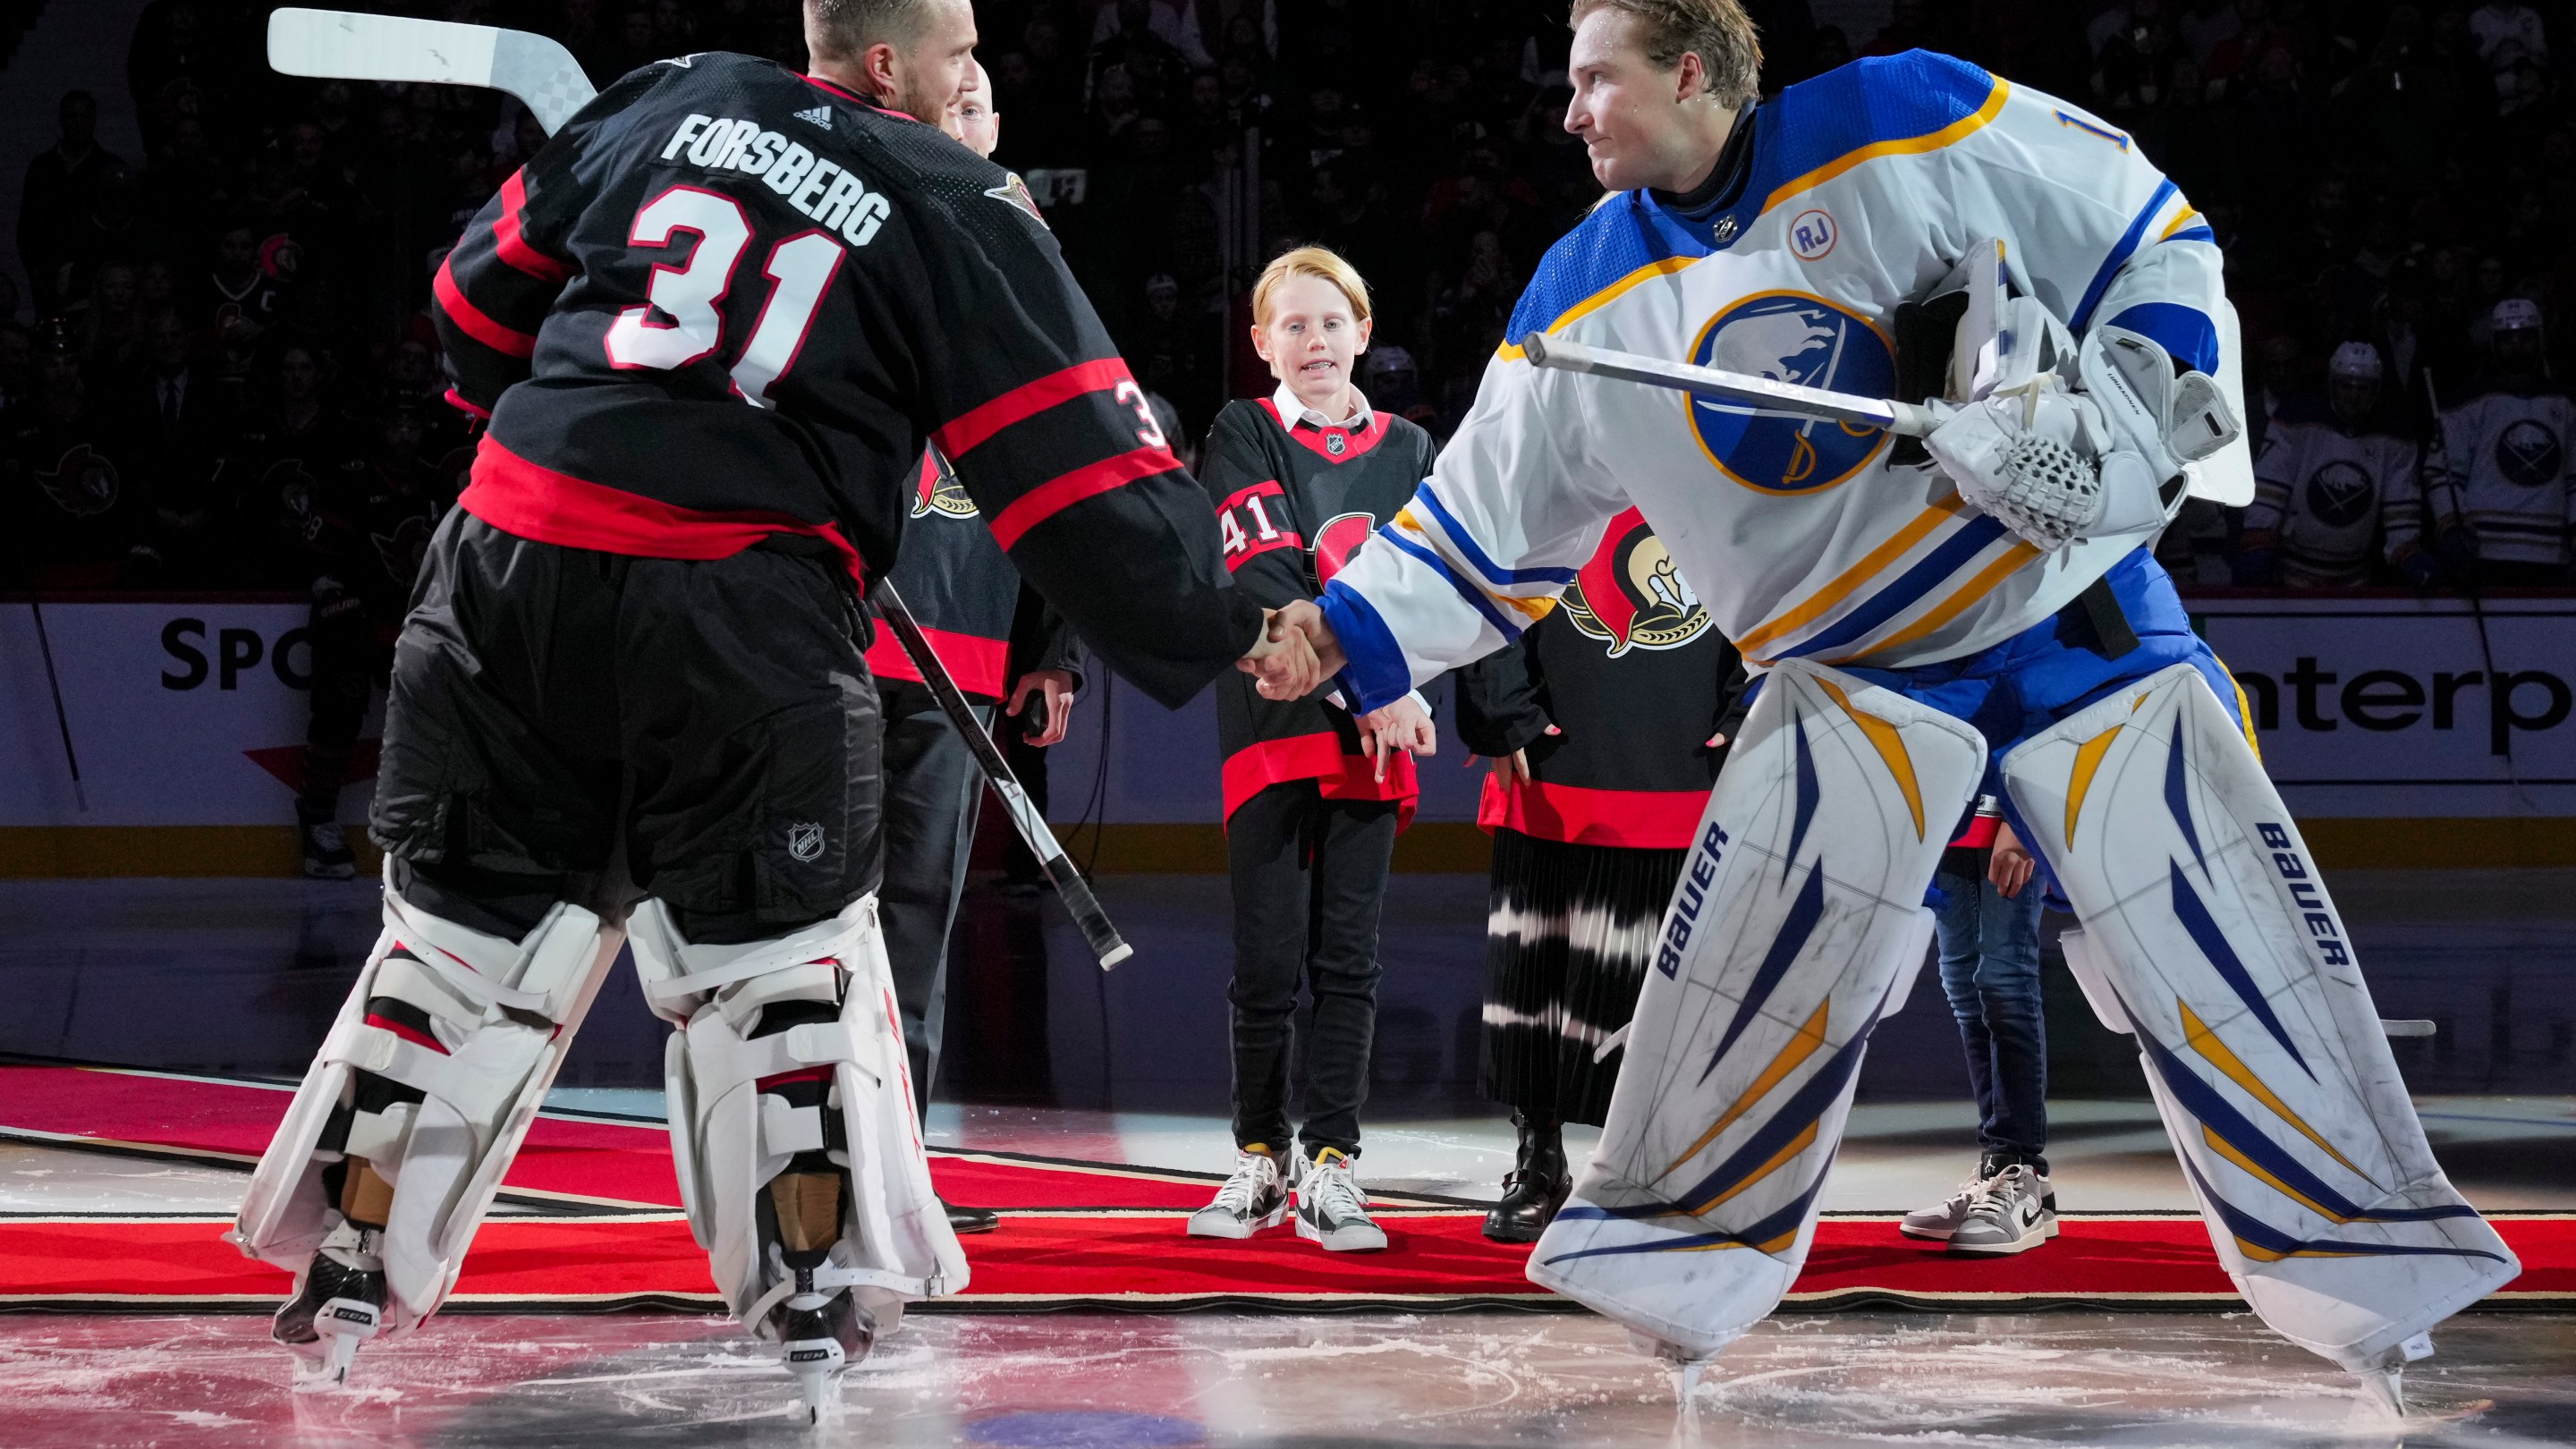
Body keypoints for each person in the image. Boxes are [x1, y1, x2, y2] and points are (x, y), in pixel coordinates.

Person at [1247, 0, 2514, 1403]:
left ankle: (2374, 1259)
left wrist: (2136, 400)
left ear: (1686, 71)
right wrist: (1342, 633)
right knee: (1753, 956)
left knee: (2223, 926)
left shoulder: (1908, 113)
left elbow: (2148, 231)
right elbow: (1484, 528)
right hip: (1848, 667)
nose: (1570, 111)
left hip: (2068, 613)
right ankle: (1675, 1254)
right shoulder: (1581, 293)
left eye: (1595, 78)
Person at [230, 0, 1302, 1415]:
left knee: (463, 943)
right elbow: (1079, 472)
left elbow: (472, 308)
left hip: (507, 565)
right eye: (965, 53)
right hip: (741, 610)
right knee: (779, 968)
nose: (982, 75)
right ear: (885, 67)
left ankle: (352, 1250)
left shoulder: (673, 91)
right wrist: (1246, 612)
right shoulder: (952, 191)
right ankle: (812, 1288)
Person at [1184, 246, 1437, 1254]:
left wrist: (1395, 693)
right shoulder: (1242, 430)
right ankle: (1258, 1155)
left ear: (1363, 331)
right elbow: (1270, 568)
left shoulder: (1414, 447)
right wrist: (1371, 685)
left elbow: (1437, 589)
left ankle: (1331, 1163)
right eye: (1291, 326)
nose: (1315, 342)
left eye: (1331, 322)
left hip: (1375, 750)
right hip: (1274, 730)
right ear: (1261, 345)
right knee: (1265, 958)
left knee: (1349, 958)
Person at [864, 58, 1080, 1238]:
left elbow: (1062, 459)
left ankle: (898, 1174)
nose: (960, 119)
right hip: (841, 638)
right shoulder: (857, 215)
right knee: (811, 920)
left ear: (996, 125)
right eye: (942, 104)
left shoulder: (1028, 251)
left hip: (960, 657)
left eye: (977, 105)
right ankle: (802, 1164)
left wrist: (1052, 652)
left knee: (916, 924)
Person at [1455, 507, 1741, 1242]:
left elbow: (1773, 582)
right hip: (1554, 755)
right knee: (1538, 979)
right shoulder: (1549, 451)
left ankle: (1655, 1168)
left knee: (1666, 987)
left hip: (1685, 753)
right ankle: (1539, 1157)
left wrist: (1753, 707)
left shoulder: (1719, 465)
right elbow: (1491, 568)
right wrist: (1501, 707)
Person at [1899, 801, 2054, 1254]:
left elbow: (2047, 727)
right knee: (1963, 982)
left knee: (2004, 976)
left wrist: (2023, 820)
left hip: (2013, 802)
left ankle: (2019, 1168)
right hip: (1952, 810)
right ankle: (2001, 1172)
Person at [2416, 300, 2574, 589]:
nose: (2516, 346)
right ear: (2493, 343)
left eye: (2525, 337)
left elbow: (2574, 480)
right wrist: (2451, 528)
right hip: (2483, 554)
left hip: (2552, 553)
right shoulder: (2466, 403)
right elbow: (2441, 473)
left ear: (2541, 340)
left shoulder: (2567, 404)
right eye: (2507, 338)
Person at [2241, 343, 2421, 589]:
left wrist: (2407, 549)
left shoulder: (2394, 436)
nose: (2354, 397)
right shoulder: (2296, 419)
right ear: (2331, 384)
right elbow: (2271, 484)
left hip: (2357, 575)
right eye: (2346, 386)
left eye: (2363, 388)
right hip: (2293, 573)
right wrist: (2259, 538)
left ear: (2377, 389)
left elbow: (2401, 503)